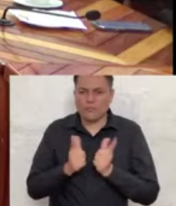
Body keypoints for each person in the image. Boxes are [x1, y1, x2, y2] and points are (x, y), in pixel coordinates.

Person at [26, 76, 159, 206]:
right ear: (75, 94)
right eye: (82, 92)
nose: (90, 99)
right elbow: (34, 189)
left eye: (98, 92)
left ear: (111, 95)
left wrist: (110, 171)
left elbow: (149, 194)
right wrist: (67, 168)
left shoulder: (130, 132)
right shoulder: (57, 130)